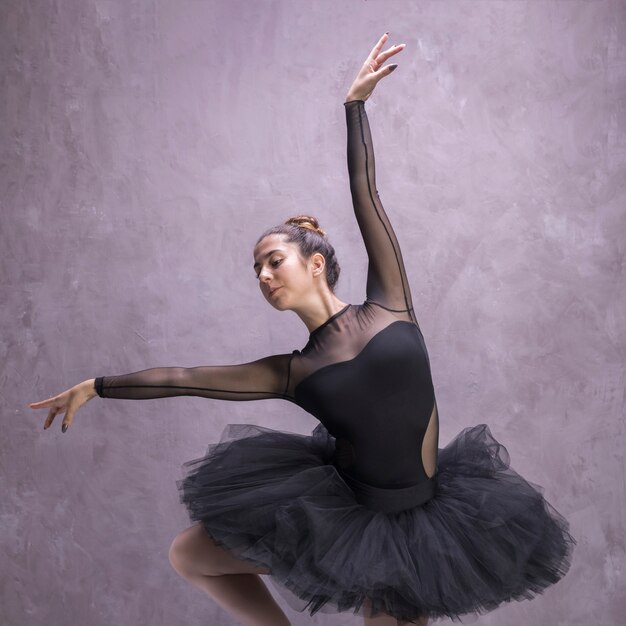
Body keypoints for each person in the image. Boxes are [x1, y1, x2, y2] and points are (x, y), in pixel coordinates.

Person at [29, 33, 575, 626]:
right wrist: (98, 384)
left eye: (274, 260)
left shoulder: (390, 302)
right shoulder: (293, 372)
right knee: (190, 553)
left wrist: (355, 106)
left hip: (424, 525)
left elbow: (365, 190)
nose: (264, 275)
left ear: (315, 263)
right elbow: (185, 377)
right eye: (256, 268)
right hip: (351, 515)